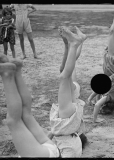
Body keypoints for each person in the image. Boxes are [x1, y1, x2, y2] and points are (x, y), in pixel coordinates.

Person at [0, 54, 60, 157]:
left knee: (26, 113)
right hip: (42, 155)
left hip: (52, 148)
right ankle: (7, 74)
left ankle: (17, 71)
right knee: (13, 121)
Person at [47, 26, 88, 157]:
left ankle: (75, 43)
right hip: (66, 120)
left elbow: (51, 134)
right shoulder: (69, 148)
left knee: (65, 72)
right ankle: (75, 43)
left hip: (70, 117)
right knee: (65, 74)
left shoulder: (73, 142)